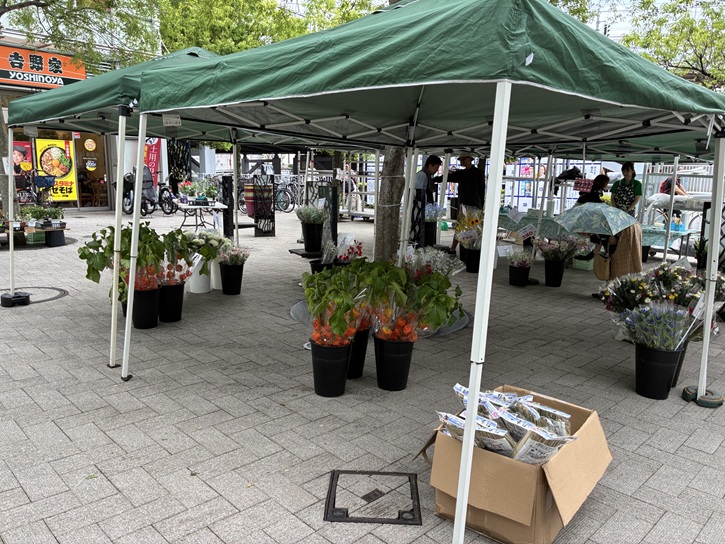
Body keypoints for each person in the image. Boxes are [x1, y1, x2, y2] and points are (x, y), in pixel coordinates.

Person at [445, 152, 485, 254]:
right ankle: (455, 248)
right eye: (460, 160)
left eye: (463, 159)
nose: (461, 162)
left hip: (475, 206)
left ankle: (471, 249)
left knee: (473, 228)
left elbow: (482, 190)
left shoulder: (478, 173)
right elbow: (448, 177)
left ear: (470, 159)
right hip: (464, 205)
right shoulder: (461, 173)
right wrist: (435, 179)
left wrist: (481, 206)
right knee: (461, 227)